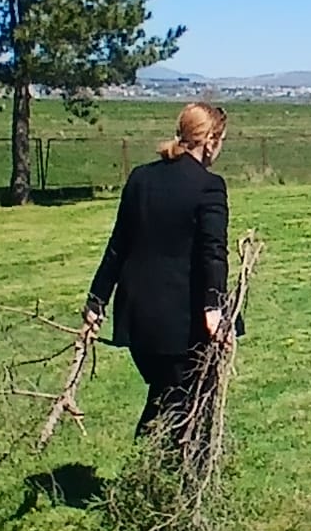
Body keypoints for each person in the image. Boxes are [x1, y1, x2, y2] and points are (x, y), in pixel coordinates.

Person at [84, 101, 231, 442]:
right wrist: (214, 308)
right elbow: (213, 251)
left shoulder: (141, 178)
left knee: (170, 395)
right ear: (210, 140)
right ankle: (157, 465)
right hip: (181, 323)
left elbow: (118, 245)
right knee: (182, 403)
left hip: (139, 319)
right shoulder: (209, 186)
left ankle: (171, 465)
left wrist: (96, 300)